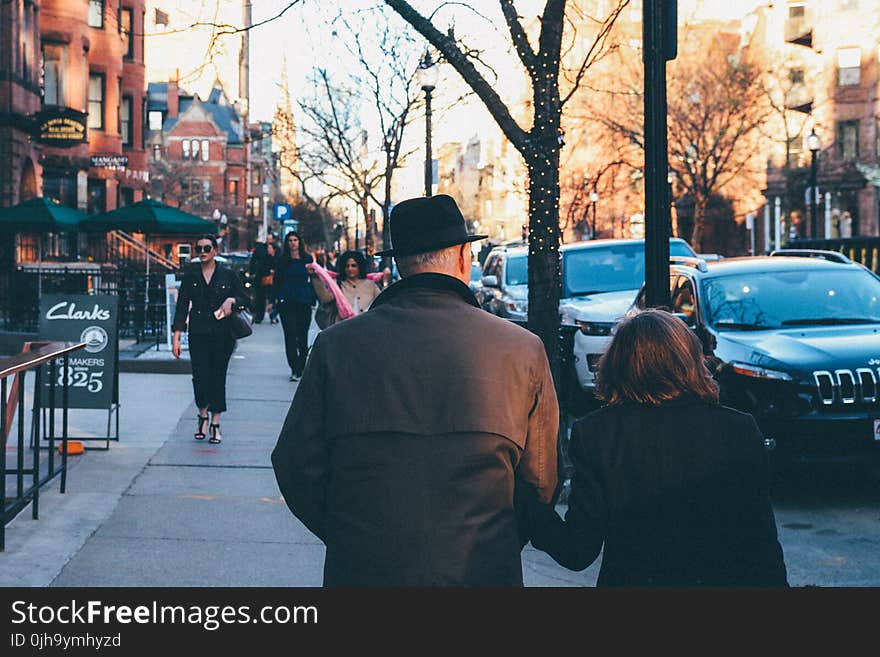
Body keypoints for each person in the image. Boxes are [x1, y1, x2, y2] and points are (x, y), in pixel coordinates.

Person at [271, 194, 559, 587]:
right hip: (482, 570)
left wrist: (351, 534)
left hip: (364, 571)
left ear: (399, 263)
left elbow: (295, 462)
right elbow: (541, 480)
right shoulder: (522, 350)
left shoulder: (337, 347)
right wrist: (497, 538)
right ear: (463, 257)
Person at [523, 309, 788, 587]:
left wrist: (521, 498)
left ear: (618, 365)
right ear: (691, 361)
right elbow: (761, 542)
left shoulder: (598, 435)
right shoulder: (740, 430)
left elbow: (577, 550)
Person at [172, 234, 249, 445]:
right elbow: (182, 306)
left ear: (215, 250)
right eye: (199, 249)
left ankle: (216, 421)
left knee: (218, 376)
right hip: (198, 332)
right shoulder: (191, 275)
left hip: (223, 333)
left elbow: (246, 298)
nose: (203, 252)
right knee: (200, 376)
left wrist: (232, 299)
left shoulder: (227, 274)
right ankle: (202, 416)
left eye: (207, 248)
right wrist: (176, 337)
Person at [272, 231, 315, 381]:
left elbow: (314, 279)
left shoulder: (307, 259)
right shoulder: (282, 260)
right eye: (290, 240)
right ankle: (294, 368)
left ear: (299, 242)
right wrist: (274, 301)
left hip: (303, 300)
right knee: (290, 335)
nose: (293, 243)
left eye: (295, 240)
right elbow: (276, 280)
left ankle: (301, 367)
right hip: (287, 301)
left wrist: (313, 298)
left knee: (302, 336)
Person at [308, 250, 380, 317]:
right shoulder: (338, 284)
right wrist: (315, 277)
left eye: (353, 265)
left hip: (366, 326)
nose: (350, 269)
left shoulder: (371, 284)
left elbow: (383, 301)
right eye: (347, 266)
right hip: (343, 327)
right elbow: (325, 298)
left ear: (360, 266)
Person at [247, 232, 277, 323]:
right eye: (267, 239)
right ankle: (259, 316)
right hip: (261, 276)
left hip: (273, 276)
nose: (268, 241)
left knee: (273, 297)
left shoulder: (277, 249)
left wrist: (272, 256)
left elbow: (279, 261)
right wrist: (252, 271)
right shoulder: (260, 248)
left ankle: (273, 316)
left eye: (270, 239)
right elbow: (254, 259)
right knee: (260, 297)